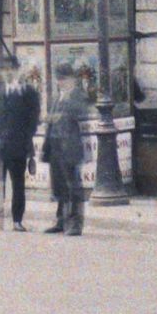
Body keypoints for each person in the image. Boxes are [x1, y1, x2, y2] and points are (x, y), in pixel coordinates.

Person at [0, 55, 42, 231]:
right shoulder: (0, 92)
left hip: (18, 146)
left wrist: (25, 141)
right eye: (4, 70)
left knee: (18, 185)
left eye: (10, 70)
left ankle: (17, 220)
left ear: (18, 71)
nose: (7, 74)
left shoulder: (29, 93)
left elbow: (33, 121)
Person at [42, 63, 94, 236]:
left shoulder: (78, 95)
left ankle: (75, 224)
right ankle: (60, 220)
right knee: (59, 185)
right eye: (58, 79)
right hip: (56, 147)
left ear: (73, 79)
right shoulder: (58, 97)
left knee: (73, 187)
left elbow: (81, 113)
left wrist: (59, 115)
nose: (60, 82)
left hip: (70, 147)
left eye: (64, 78)